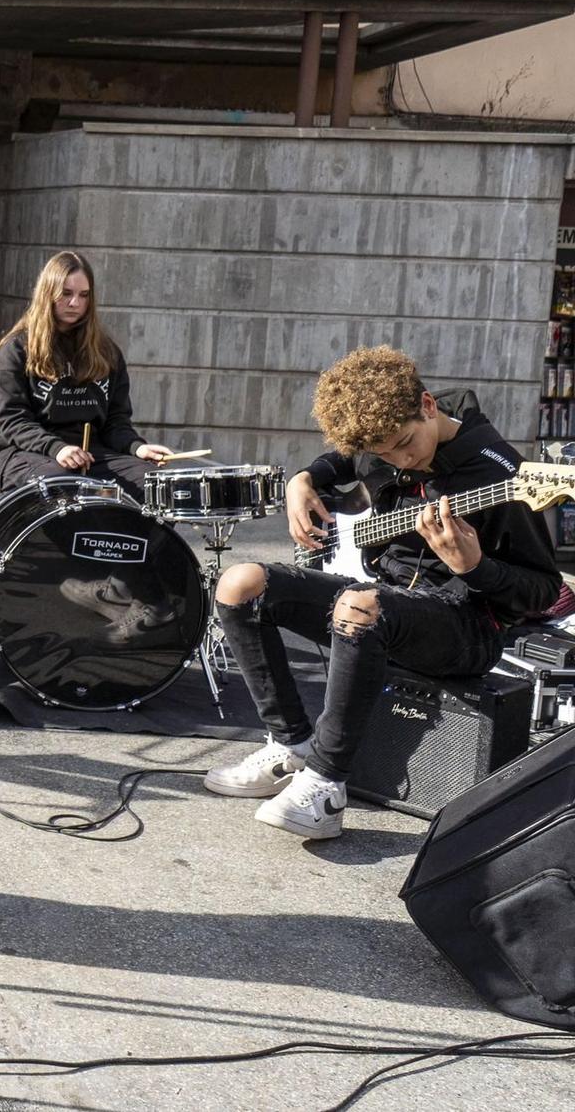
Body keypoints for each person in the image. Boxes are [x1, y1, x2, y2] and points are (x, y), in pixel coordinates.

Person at [203, 346, 563, 839]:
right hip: (383, 598)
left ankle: (326, 787)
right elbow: (345, 458)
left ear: (429, 406)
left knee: (359, 606)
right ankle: (291, 745)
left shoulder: (499, 474)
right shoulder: (385, 433)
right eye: (384, 452)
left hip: (467, 626)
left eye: (405, 443)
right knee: (240, 584)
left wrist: (475, 567)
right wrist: (305, 479)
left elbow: (543, 592)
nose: (400, 458)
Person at [0, 250, 174, 493]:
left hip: (90, 451)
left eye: (84, 295)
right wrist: (57, 448)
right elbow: (13, 420)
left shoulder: (107, 352)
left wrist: (137, 447)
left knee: (158, 487)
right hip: (21, 450)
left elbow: (116, 421)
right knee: (65, 484)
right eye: (66, 294)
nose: (75, 303)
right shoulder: (17, 349)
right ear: (48, 293)